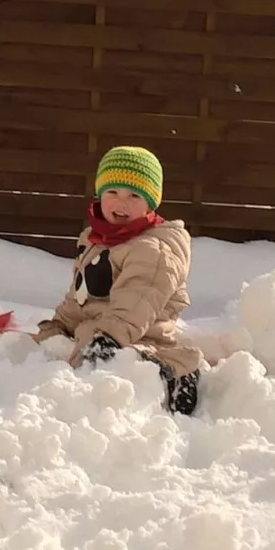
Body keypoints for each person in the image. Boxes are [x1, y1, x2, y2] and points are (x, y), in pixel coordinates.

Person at [34, 146, 202, 415]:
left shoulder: (153, 249)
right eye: (112, 192)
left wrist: (108, 339)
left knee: (115, 367)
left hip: (142, 335)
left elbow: (137, 301)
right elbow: (81, 293)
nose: (121, 203)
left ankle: (176, 370)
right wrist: (60, 324)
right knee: (71, 346)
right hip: (98, 330)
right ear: (100, 195)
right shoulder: (96, 239)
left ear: (150, 203)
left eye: (134, 195)